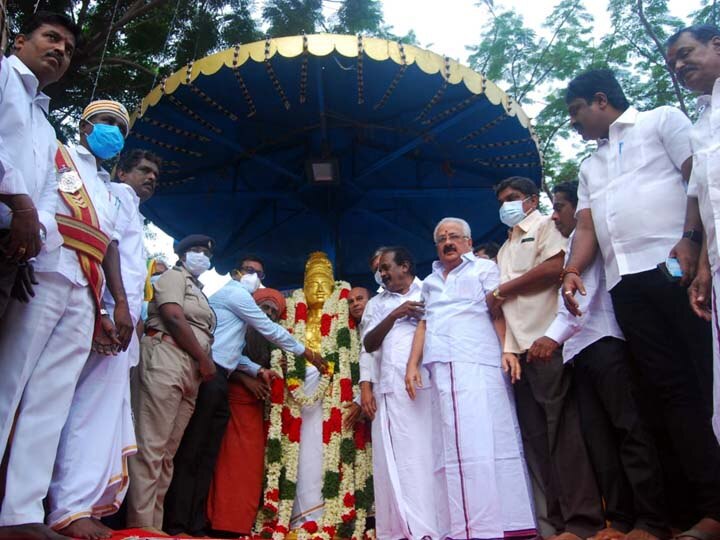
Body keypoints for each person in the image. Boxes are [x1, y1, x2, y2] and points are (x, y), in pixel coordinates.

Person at [562, 68, 720, 540]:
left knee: (704, 379)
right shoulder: (589, 166)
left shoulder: (662, 120)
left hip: (674, 266)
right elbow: (587, 228)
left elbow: (700, 184)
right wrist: (572, 269)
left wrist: (694, 240)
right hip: (623, 284)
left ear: (601, 99)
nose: (573, 123)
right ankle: (702, 510)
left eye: (575, 112)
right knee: (665, 396)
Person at [0, 98, 130, 540]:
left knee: (50, 403)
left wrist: (120, 303)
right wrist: (20, 263)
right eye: (106, 122)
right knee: (8, 384)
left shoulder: (109, 191)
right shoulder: (57, 154)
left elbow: (109, 244)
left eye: (120, 127)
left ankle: (20, 513)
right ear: (85, 125)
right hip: (46, 273)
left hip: (85, 292)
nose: (112, 130)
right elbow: (31, 207)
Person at [529, 182, 670, 540]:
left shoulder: (583, 242)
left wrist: (549, 338)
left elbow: (582, 300)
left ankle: (651, 520)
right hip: (579, 351)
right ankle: (619, 520)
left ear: (579, 209)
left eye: (560, 206)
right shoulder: (573, 245)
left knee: (629, 430)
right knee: (600, 438)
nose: (554, 214)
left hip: (605, 341)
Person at [163, 256, 324, 536]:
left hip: (221, 379)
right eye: (250, 271)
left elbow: (231, 351)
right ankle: (176, 523)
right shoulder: (235, 294)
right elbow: (268, 329)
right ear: (237, 272)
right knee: (193, 450)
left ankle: (196, 524)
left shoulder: (237, 303)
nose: (255, 277)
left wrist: (257, 369)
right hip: (207, 377)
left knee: (207, 456)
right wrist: (307, 352)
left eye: (260, 274)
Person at [46, 148, 161, 540]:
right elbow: (105, 248)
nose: (150, 178)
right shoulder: (114, 195)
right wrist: (113, 309)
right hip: (108, 317)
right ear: (121, 171)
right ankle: (69, 508)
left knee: (103, 412)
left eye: (155, 175)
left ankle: (84, 504)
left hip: (120, 324)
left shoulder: (132, 207)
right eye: (144, 170)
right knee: (88, 410)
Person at [405, 217, 535, 540]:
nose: (448, 242)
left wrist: (508, 349)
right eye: (442, 238)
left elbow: (497, 309)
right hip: (441, 365)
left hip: (478, 360)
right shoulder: (430, 282)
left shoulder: (483, 269)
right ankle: (461, 527)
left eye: (454, 236)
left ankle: (504, 524)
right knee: (451, 447)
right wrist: (412, 365)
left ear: (467, 240)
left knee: (489, 439)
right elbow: (424, 322)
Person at [490, 175, 602, 540]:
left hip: (547, 342)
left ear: (531, 199)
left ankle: (583, 522)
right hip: (519, 353)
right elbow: (503, 309)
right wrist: (508, 350)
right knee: (539, 441)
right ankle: (557, 522)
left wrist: (503, 288)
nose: (506, 203)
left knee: (564, 434)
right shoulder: (504, 250)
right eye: (502, 199)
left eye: (513, 197)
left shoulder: (543, 225)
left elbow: (556, 268)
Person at [127, 234, 217, 533]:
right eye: (195, 250)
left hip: (190, 370)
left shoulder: (201, 291)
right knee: (151, 447)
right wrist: (204, 360)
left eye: (206, 252)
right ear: (181, 254)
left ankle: (153, 526)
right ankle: (140, 527)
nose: (201, 255)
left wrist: (201, 362)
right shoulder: (172, 277)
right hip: (166, 357)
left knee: (167, 454)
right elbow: (173, 316)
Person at [0, 11, 81, 322]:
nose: (61, 50)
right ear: (20, 42)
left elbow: (50, 187)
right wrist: (20, 203)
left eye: (69, 49)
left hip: (9, 252)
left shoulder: (47, 129)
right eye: (52, 38)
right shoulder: (4, 74)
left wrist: (35, 235)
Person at [362, 247, 441, 540]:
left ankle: (432, 524)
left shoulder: (430, 290)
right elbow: (368, 344)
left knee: (424, 454)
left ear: (405, 266)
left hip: (424, 385)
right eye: (380, 270)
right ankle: (400, 528)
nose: (381, 274)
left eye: (385, 268)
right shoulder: (377, 303)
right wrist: (395, 314)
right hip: (389, 388)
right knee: (395, 459)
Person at [666, 22, 720, 445]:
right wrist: (702, 265)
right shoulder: (701, 124)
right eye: (673, 62)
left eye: (686, 53)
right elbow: (703, 201)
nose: (680, 65)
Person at [207, 287, 288, 536]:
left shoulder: (270, 336)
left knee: (250, 469)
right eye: (265, 307)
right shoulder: (237, 326)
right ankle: (220, 522)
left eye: (274, 311)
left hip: (256, 410)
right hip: (232, 401)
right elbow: (229, 357)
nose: (269, 313)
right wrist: (246, 380)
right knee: (227, 465)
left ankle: (240, 525)